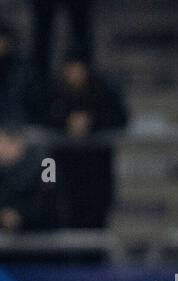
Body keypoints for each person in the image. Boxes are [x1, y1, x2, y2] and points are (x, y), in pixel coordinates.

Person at [39, 48, 127, 229]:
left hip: (96, 171)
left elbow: (119, 117)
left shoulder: (103, 91)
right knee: (65, 218)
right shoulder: (54, 92)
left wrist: (91, 123)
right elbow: (40, 116)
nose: (74, 74)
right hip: (65, 169)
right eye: (70, 69)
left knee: (96, 219)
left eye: (78, 69)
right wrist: (66, 122)